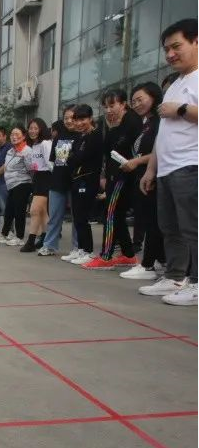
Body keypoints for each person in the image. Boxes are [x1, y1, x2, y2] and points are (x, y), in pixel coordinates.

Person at [139, 18, 198, 306]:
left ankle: (197, 282)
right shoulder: (175, 84)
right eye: (166, 50)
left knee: (193, 227)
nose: (171, 54)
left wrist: (183, 109)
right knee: (170, 227)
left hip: (191, 164)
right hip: (168, 168)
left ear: (196, 41)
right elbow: (163, 133)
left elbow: (180, 114)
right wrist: (151, 169)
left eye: (176, 46)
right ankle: (175, 276)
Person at [82, 89, 142, 270]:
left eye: (112, 105)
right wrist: (104, 176)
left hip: (125, 175)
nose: (108, 110)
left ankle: (106, 256)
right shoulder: (110, 122)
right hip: (113, 174)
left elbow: (121, 145)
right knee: (117, 215)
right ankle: (128, 255)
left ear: (123, 104)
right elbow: (107, 150)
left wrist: (113, 127)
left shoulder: (132, 120)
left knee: (110, 213)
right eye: (105, 107)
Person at [120, 82, 164, 280]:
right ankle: (158, 260)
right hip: (143, 176)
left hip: (154, 176)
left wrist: (137, 161)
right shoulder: (146, 123)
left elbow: (159, 149)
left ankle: (148, 264)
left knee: (153, 222)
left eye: (140, 99)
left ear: (153, 97)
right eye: (134, 101)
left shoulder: (159, 122)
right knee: (149, 220)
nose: (137, 104)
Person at [65, 104, 103, 264]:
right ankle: (80, 249)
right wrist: (73, 157)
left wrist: (74, 157)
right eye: (77, 120)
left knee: (83, 216)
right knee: (77, 216)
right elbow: (69, 158)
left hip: (88, 180)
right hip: (77, 179)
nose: (79, 123)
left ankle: (88, 251)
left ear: (90, 118)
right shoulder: (80, 137)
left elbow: (80, 157)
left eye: (83, 119)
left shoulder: (95, 136)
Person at [41, 106, 78, 257]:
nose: (69, 121)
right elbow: (57, 161)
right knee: (54, 217)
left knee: (77, 218)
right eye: (66, 118)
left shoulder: (83, 135)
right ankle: (49, 246)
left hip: (76, 182)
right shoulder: (60, 136)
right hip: (58, 181)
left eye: (72, 118)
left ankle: (77, 248)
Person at [0, 126, 33, 246]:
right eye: (12, 134)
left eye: (17, 134)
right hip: (11, 184)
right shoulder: (10, 151)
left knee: (19, 212)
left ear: (24, 136)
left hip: (22, 184)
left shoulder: (27, 151)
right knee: (9, 211)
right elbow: (6, 166)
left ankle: (19, 237)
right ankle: (4, 234)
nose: (14, 137)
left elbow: (31, 169)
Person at [21, 118, 53, 252]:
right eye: (30, 128)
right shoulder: (34, 145)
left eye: (35, 128)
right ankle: (45, 238)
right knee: (43, 211)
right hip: (38, 177)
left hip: (46, 177)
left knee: (34, 210)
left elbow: (51, 163)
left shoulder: (45, 143)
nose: (32, 131)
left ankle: (31, 241)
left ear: (41, 129)